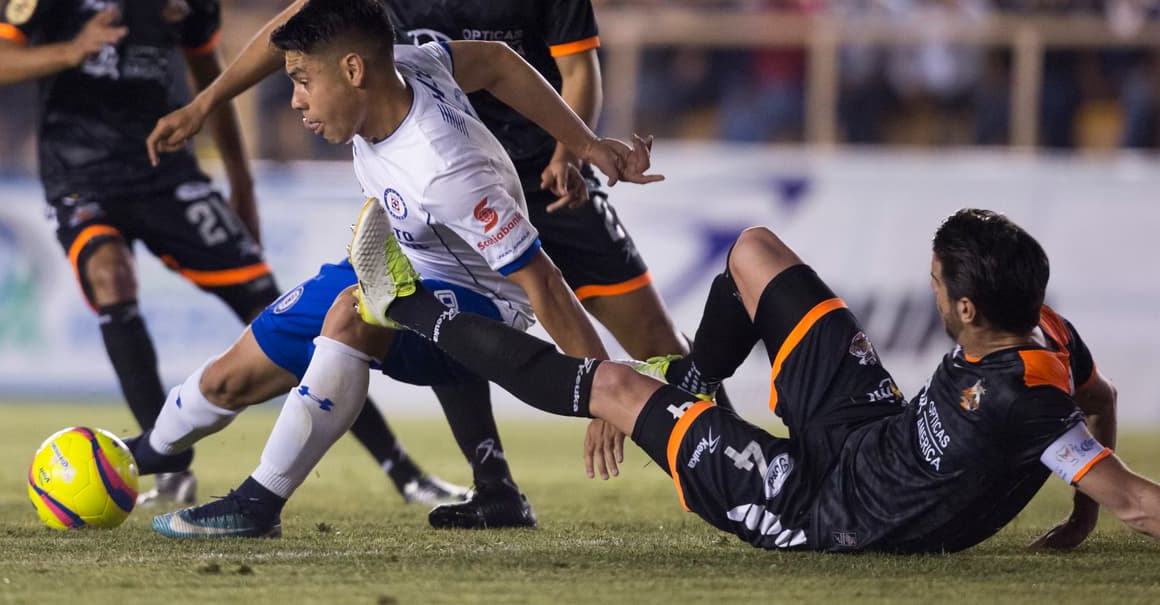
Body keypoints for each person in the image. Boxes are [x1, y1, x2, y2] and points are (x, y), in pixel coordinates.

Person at [145, 0, 693, 525]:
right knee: (295, 339)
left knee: (648, 337)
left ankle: (723, 463)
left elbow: (569, 63)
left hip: (524, 172)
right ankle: (148, 452)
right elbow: (312, 27)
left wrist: (577, 143)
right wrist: (208, 101)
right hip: (423, 168)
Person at [0, 0, 463, 509]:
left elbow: (214, 82)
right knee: (110, 275)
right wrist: (70, 49)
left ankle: (402, 469)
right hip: (80, 170)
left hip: (167, 171)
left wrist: (239, 181)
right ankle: (168, 463)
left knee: (289, 315)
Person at [145, 0, 658, 539]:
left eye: (301, 81)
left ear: (353, 71)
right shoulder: (409, 64)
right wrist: (585, 143)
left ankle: (256, 504)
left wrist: (603, 390)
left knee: (355, 309)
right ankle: (138, 454)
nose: (295, 101)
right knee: (230, 378)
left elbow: (544, 283)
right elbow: (496, 61)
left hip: (485, 309)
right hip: (409, 258)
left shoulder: (446, 172)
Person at [351, 206, 1160, 552]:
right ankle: (697, 387)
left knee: (615, 388)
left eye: (938, 283)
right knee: (753, 252)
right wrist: (1080, 519)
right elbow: (1103, 397)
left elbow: (1138, 497)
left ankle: (407, 304)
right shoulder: (1049, 332)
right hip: (871, 436)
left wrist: (1098, 504)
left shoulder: (1017, 397)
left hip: (829, 509)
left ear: (969, 305)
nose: (933, 291)